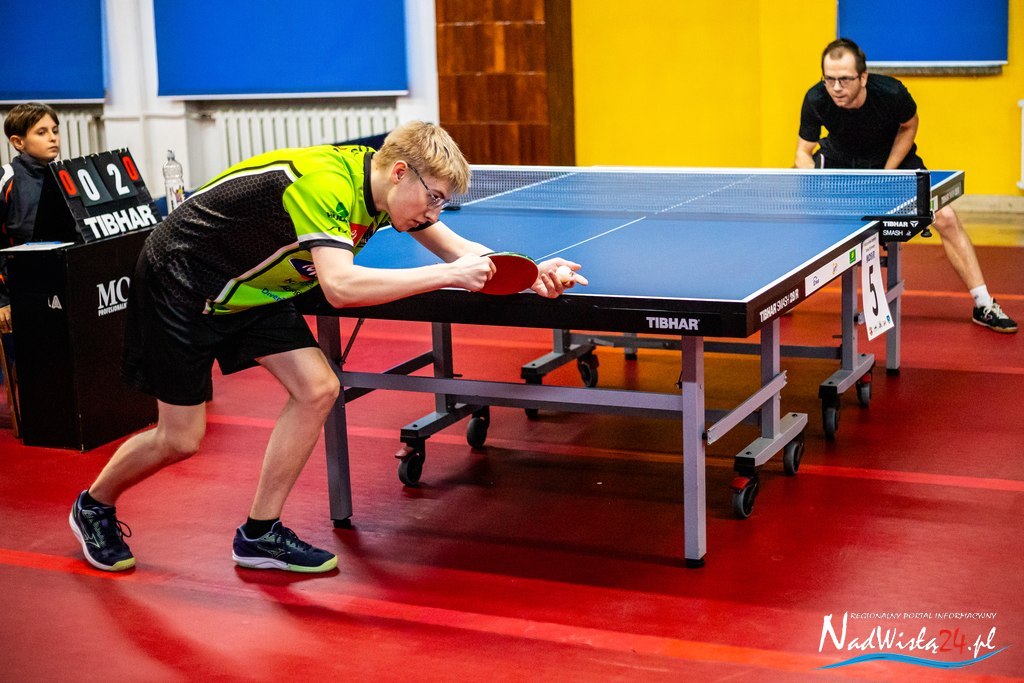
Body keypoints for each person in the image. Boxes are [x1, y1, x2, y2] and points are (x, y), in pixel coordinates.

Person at [69, 121, 587, 574]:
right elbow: (340, 286)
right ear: (401, 172)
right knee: (180, 439)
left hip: (254, 288)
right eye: (434, 197)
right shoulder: (326, 185)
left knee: (318, 388)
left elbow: (462, 251)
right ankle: (94, 505)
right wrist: (448, 277)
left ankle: (259, 534)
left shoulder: (388, 193)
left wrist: (533, 272)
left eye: (442, 203)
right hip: (181, 282)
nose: (436, 212)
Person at [795, 38, 1017, 334]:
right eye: (829, 79)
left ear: (863, 77)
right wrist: (817, 184)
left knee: (946, 217)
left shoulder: (891, 93)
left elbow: (909, 126)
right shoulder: (816, 98)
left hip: (892, 157)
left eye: (845, 79)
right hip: (842, 161)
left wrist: (887, 173)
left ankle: (983, 303)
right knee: (796, 213)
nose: (836, 88)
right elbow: (803, 152)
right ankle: (780, 295)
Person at [1, 103, 62, 336]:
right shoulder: (7, 179)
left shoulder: (64, 176)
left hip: (57, 287)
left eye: (55, 130)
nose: (52, 138)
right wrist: (2, 301)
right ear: (18, 142)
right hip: (17, 295)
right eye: (41, 132)